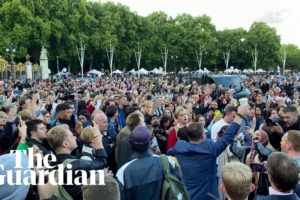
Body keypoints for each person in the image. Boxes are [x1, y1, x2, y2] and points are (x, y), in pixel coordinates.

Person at [167, 105, 249, 200]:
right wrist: (239, 115)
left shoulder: (179, 146)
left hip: (187, 196)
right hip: (208, 196)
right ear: (202, 136)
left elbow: (169, 151)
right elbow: (227, 137)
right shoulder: (210, 149)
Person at [116, 125, 181, 200]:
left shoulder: (123, 172)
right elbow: (179, 188)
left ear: (130, 144)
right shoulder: (168, 161)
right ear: (149, 143)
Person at [47, 125, 107, 200]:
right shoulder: (76, 165)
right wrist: (97, 139)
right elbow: (102, 162)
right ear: (65, 144)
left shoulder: (49, 164)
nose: (75, 137)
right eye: (72, 136)